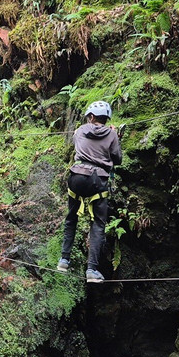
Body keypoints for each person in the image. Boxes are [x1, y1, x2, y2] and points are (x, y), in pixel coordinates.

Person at [58, 101, 122, 282]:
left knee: (71, 218)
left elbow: (78, 140)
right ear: (105, 118)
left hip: (77, 176)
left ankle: (64, 260)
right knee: (98, 224)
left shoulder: (79, 131)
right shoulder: (111, 134)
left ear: (91, 117)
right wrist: (114, 136)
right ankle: (92, 270)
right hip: (97, 180)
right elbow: (117, 159)